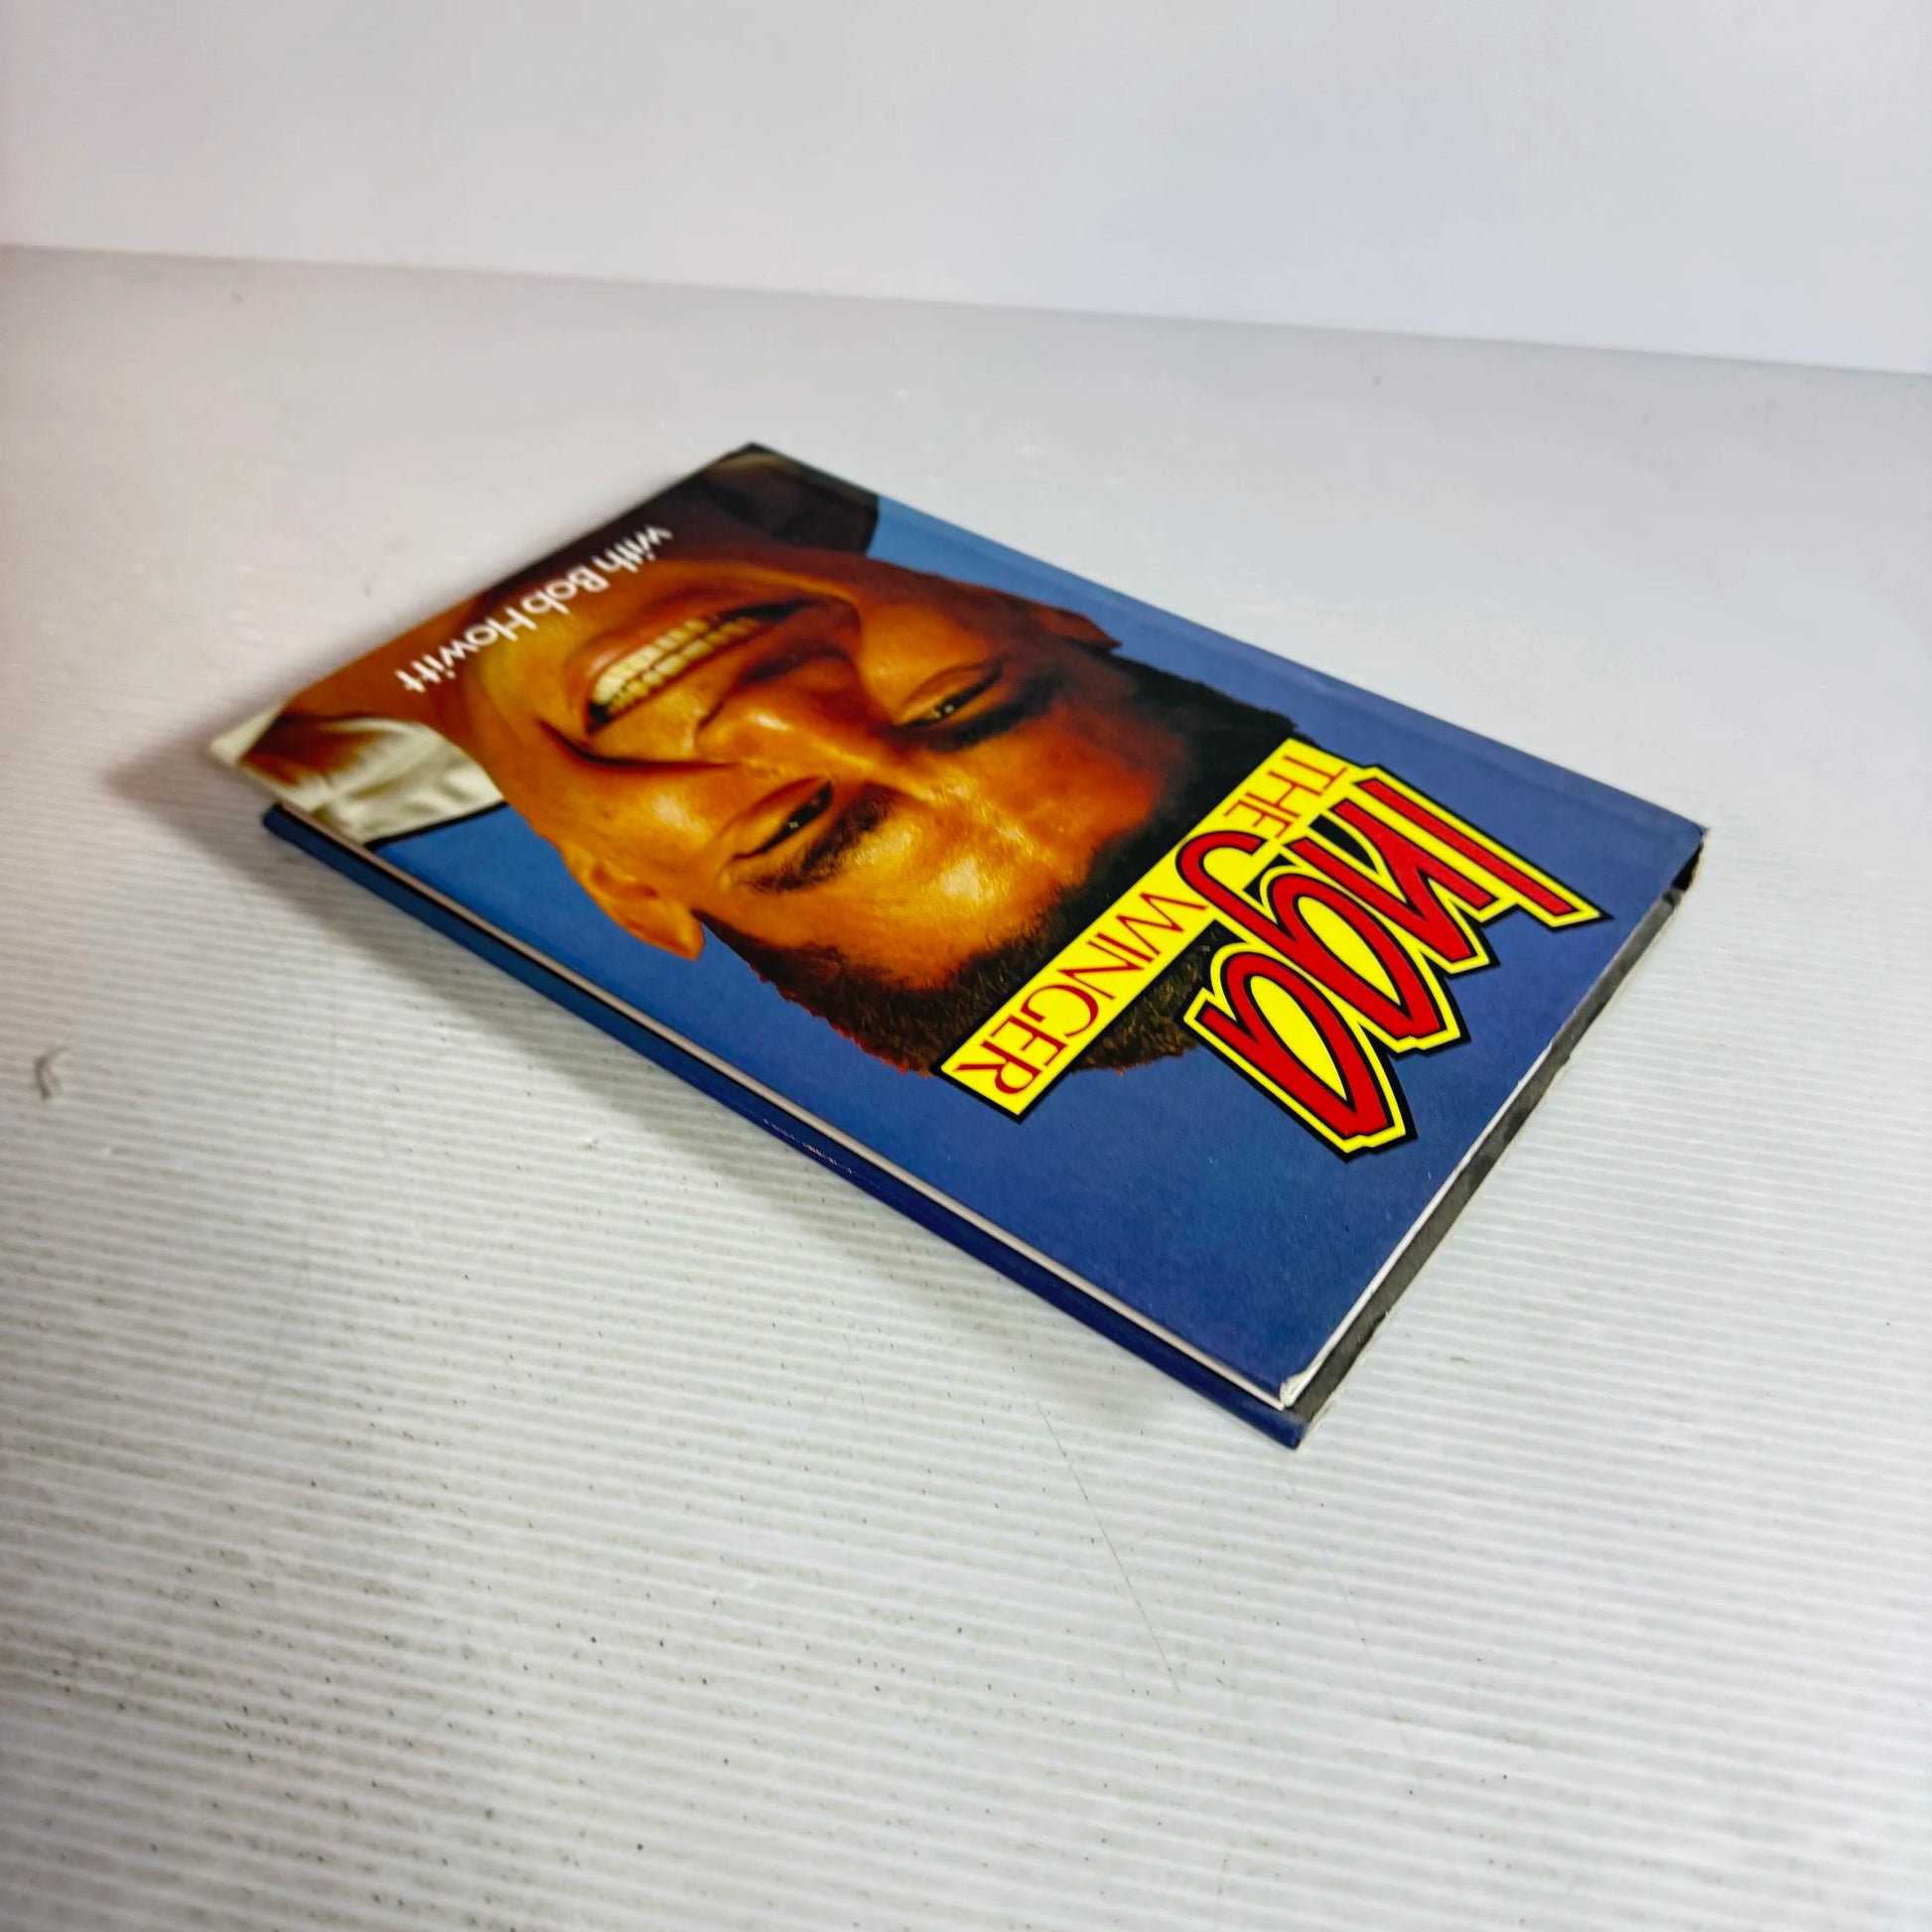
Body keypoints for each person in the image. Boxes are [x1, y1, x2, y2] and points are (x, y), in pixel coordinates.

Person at [228, 450, 1292, 1071]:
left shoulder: (283, 761)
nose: (775, 713)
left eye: (792, 822)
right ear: (1017, 604)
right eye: (953, 701)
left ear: (623, 888)